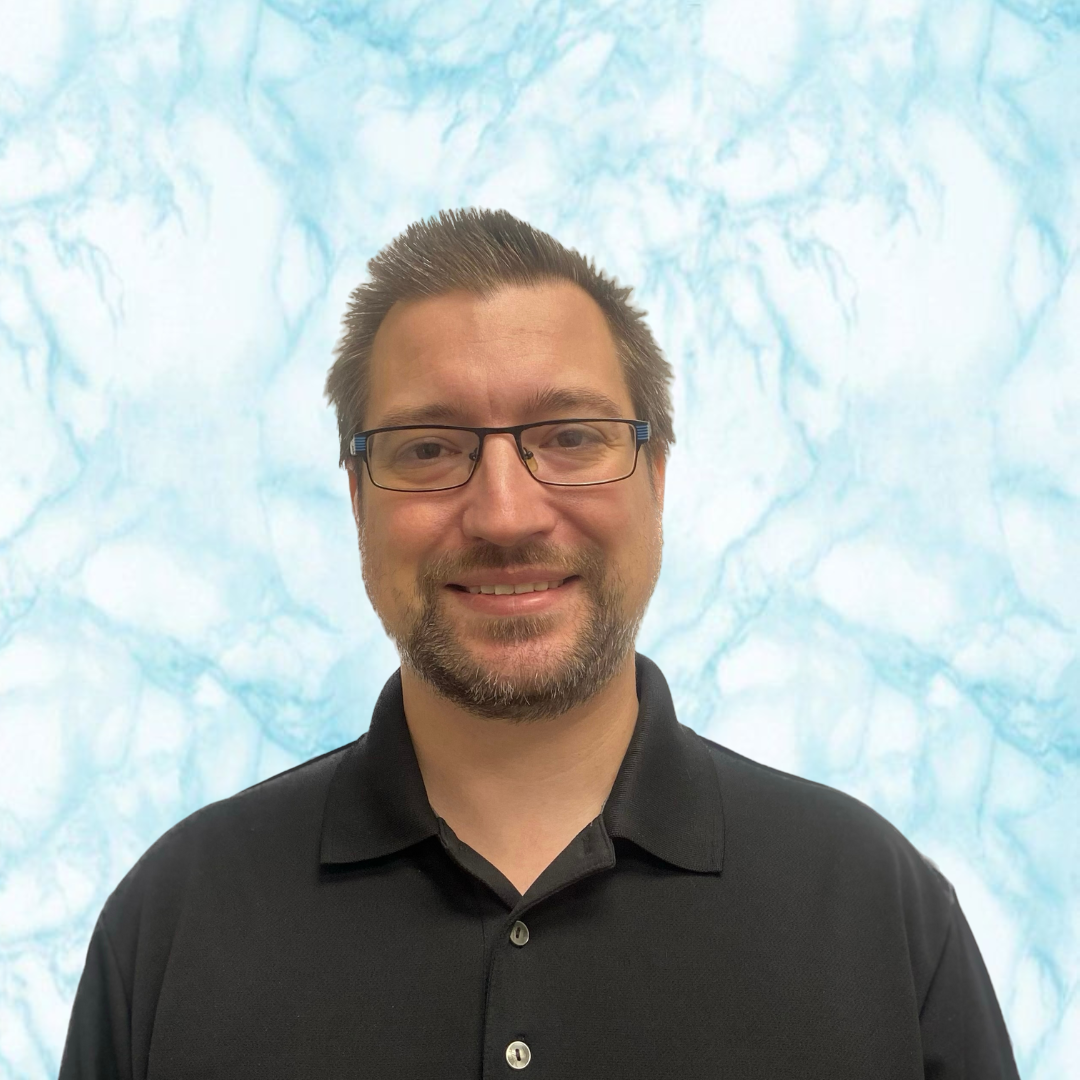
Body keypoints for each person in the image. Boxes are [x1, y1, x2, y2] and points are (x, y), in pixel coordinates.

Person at [59, 209, 1020, 1078]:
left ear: (657, 475)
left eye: (569, 437)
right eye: (429, 448)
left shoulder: (876, 912)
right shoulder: (175, 922)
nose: (506, 514)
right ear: (357, 498)